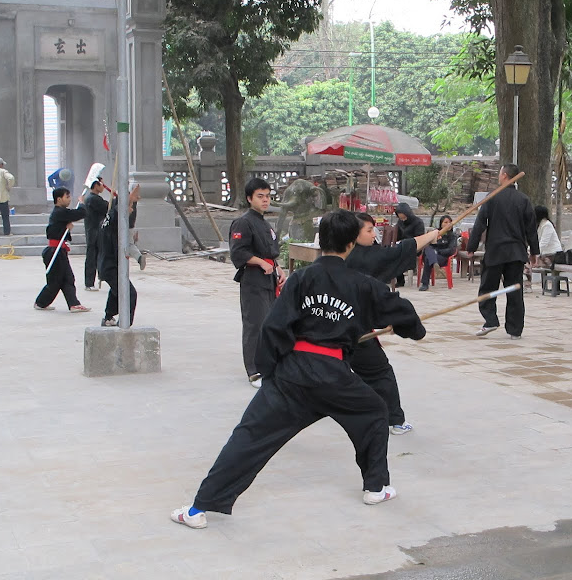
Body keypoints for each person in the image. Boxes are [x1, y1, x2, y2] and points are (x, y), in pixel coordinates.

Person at [170, 210, 426, 529]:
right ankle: (376, 487)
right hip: (334, 376)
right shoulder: (362, 284)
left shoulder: (301, 279)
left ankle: (198, 509)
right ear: (351, 243)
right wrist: (412, 329)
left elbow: (273, 328)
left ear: (322, 242)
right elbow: (404, 314)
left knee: (250, 435)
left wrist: (271, 376)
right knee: (375, 412)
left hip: (292, 374)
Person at [347, 212, 439, 435]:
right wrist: (431, 235)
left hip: (332, 327)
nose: (374, 234)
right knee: (380, 372)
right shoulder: (364, 258)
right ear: (354, 235)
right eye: (369, 230)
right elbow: (399, 251)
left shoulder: (341, 256)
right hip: (354, 331)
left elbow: (397, 251)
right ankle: (395, 421)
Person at [468, 164, 538, 339]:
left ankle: (490, 320)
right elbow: (531, 229)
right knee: (514, 291)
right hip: (516, 253)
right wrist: (534, 252)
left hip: (496, 252)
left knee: (487, 288)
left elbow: (479, 224)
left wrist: (471, 247)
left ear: (505, 175)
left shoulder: (492, 197)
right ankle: (515, 330)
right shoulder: (523, 200)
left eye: (500, 174)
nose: (499, 177)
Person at [229, 178, 287, 389]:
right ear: (249, 198)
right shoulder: (243, 223)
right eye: (260, 196)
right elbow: (238, 252)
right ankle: (254, 371)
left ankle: (269, 365)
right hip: (253, 279)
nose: (265, 200)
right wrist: (261, 262)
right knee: (255, 324)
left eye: (268, 196)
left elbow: (269, 252)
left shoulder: (265, 223)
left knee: (270, 324)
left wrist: (278, 268)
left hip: (269, 278)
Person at [33, 187, 92, 313]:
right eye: (67, 197)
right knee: (55, 282)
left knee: (67, 278)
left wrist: (67, 227)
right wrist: (82, 203)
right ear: (59, 199)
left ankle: (73, 304)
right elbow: (80, 214)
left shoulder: (61, 213)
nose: (69, 199)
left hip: (60, 250)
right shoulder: (59, 212)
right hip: (55, 252)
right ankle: (40, 302)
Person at [97, 192, 138, 327]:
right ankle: (125, 324)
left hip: (110, 264)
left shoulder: (108, 221)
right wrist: (128, 201)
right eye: (130, 206)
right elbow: (118, 212)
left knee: (116, 292)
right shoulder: (114, 218)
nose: (131, 209)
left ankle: (108, 317)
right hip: (110, 266)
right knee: (129, 293)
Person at [419, 214, 458, 292]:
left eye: (449, 222)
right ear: (441, 224)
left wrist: (438, 251)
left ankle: (425, 284)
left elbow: (451, 250)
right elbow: (428, 244)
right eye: (445, 222)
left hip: (443, 257)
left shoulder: (452, 236)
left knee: (427, 259)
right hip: (432, 254)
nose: (448, 224)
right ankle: (434, 262)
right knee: (428, 249)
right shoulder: (436, 233)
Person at [82, 178, 109, 291]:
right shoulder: (93, 199)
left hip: (94, 230)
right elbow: (107, 207)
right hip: (94, 231)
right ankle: (89, 282)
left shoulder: (92, 198)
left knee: (96, 256)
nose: (103, 187)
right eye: (101, 184)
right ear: (96, 185)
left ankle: (99, 277)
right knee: (92, 257)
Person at [393, 202, 425, 287]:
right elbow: (397, 236)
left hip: (415, 246)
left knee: (397, 254)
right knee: (391, 252)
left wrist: (406, 241)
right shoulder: (400, 223)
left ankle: (400, 279)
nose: (403, 220)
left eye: (404, 218)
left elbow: (419, 238)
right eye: (401, 218)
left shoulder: (418, 222)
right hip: (402, 245)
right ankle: (396, 277)